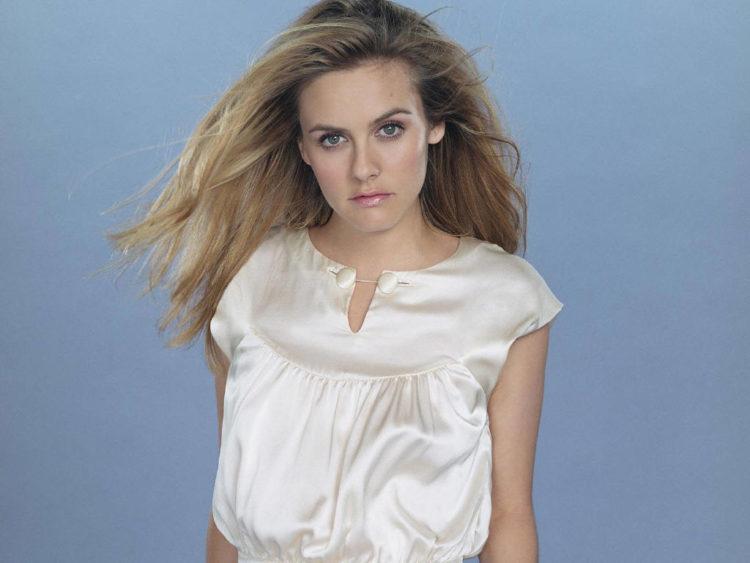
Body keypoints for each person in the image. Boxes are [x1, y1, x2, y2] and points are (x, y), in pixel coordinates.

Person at [105, 1, 564, 561]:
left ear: (435, 125)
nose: (363, 167)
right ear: (303, 147)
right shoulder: (250, 278)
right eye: (332, 139)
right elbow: (230, 506)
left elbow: (509, 515)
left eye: (389, 129)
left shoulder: (505, 299)